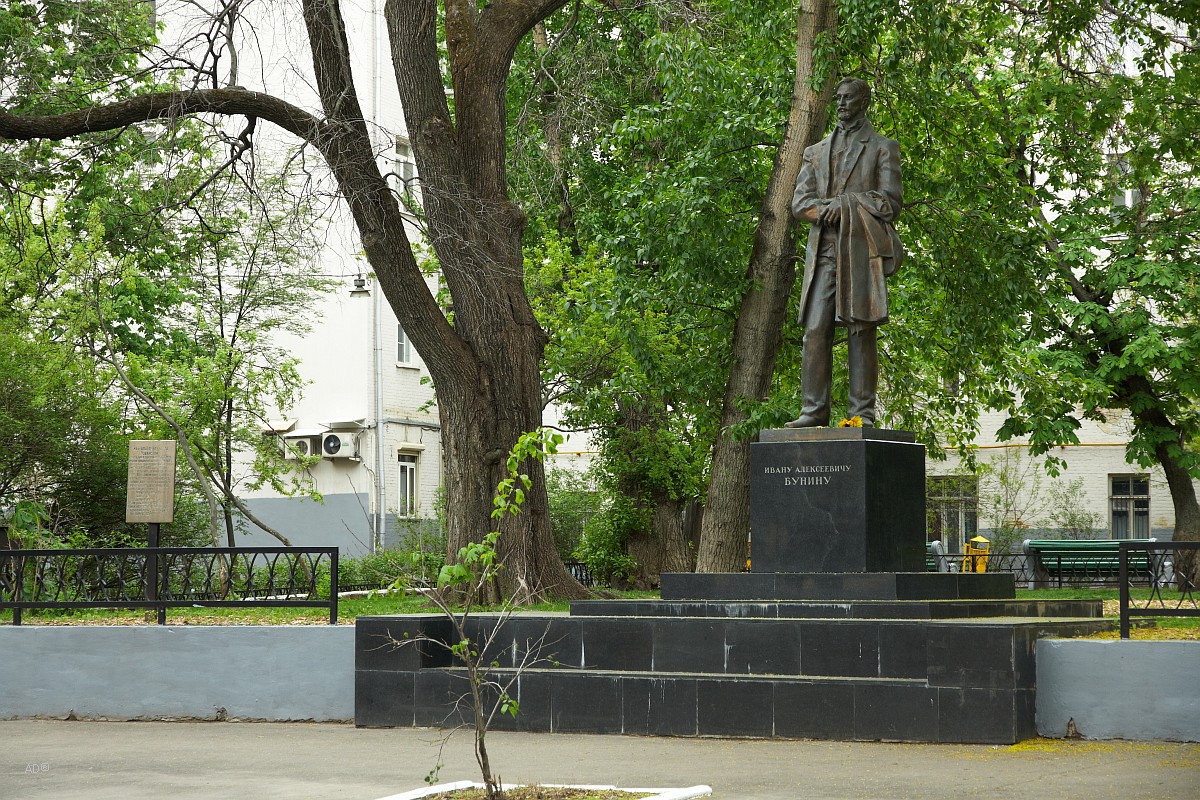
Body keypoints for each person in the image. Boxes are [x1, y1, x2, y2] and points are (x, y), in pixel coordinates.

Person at [787, 77, 904, 428]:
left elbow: (891, 202)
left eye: (847, 98)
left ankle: (861, 413)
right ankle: (813, 411)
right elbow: (800, 205)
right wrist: (828, 211)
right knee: (815, 329)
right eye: (837, 97)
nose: (840, 103)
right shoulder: (815, 152)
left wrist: (847, 204)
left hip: (860, 252)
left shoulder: (883, 147)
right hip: (824, 252)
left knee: (860, 329)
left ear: (863, 101)